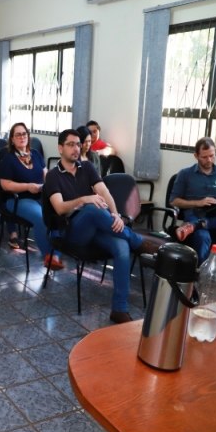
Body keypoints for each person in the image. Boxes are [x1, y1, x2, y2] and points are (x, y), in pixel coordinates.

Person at [44, 129, 157, 324]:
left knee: (121, 247)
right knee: (91, 208)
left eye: (78, 144)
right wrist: (83, 199)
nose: (76, 148)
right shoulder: (54, 176)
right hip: (70, 230)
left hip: (95, 226)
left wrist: (116, 215)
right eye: (71, 144)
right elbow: (60, 208)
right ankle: (137, 240)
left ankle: (119, 309)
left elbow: (104, 192)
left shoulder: (86, 167)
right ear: (60, 148)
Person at [0, 122, 63, 269]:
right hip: (18, 199)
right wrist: (28, 186)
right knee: (41, 217)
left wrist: (50, 184)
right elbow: (5, 185)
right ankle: (49, 256)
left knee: (58, 213)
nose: (22, 137)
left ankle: (56, 255)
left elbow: (45, 174)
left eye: (24, 134)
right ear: (12, 139)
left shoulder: (36, 154)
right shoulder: (8, 159)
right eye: (18, 135)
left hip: (40, 196)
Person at [170, 137, 216, 261]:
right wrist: (198, 202)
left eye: (212, 156)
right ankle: (200, 277)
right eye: (204, 157)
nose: (209, 160)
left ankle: (198, 226)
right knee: (203, 237)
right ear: (196, 156)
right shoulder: (185, 174)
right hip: (195, 214)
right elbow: (174, 201)